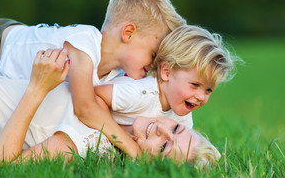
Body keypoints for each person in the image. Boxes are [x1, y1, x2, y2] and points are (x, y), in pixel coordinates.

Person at [0, 0, 187, 158]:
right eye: (153, 55)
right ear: (128, 33)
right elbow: (85, 108)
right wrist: (129, 145)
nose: (154, 65)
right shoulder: (84, 45)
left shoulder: (114, 75)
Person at [0, 49, 220, 167]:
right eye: (173, 127)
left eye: (164, 146)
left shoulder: (92, 143)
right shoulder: (133, 99)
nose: (161, 127)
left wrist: (38, 88)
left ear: (151, 165)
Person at [94, 25, 236, 131]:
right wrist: (116, 136)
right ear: (167, 72)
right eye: (194, 84)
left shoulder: (182, 114)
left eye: (208, 90)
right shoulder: (140, 94)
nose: (200, 96)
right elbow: (96, 94)